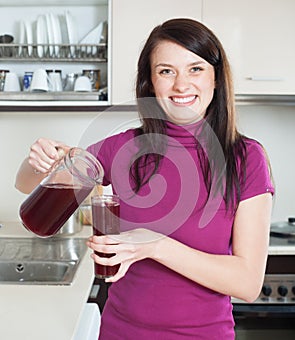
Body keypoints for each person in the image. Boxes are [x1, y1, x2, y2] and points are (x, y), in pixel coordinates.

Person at [15, 18, 274, 339]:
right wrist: (38, 163)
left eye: (195, 69)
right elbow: (28, 188)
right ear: (150, 82)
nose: (181, 85)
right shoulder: (122, 147)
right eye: (166, 71)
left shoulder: (246, 158)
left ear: (216, 79)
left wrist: (155, 245)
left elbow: (248, 283)